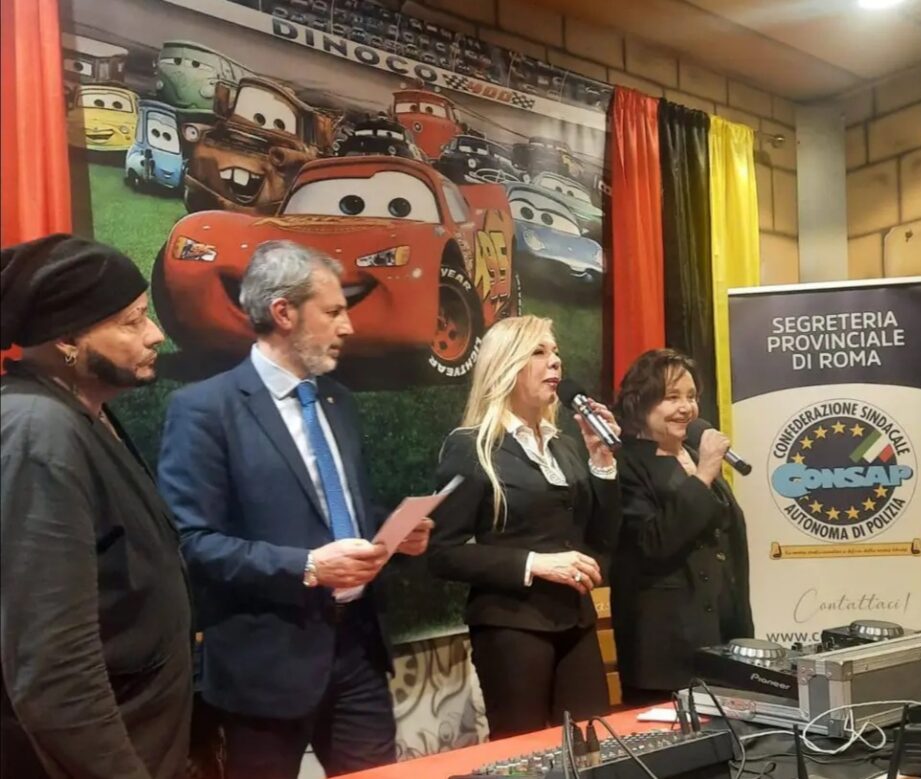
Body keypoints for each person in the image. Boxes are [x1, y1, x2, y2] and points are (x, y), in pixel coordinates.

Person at [157, 240, 431, 779]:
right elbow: (193, 544)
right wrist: (307, 567)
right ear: (283, 312)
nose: (348, 326)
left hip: (358, 653)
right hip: (264, 668)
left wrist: (392, 533)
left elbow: (336, 508)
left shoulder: (337, 400)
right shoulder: (204, 409)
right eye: (333, 312)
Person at [0, 234, 192, 779]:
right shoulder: (38, 430)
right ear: (66, 338)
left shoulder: (79, 412)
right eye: (132, 321)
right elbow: (54, 672)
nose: (155, 334)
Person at [428, 315, 621, 739]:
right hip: (511, 628)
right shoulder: (471, 447)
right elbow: (442, 552)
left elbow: (603, 538)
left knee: (594, 746)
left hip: (576, 621)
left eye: (556, 352)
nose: (555, 362)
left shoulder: (564, 445)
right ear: (506, 365)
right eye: (539, 352)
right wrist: (535, 564)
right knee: (523, 754)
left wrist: (602, 461)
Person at [610, 348, 753, 705]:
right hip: (665, 650)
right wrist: (703, 476)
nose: (686, 408)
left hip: (723, 637)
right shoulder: (625, 463)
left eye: (691, 397)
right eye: (672, 397)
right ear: (640, 403)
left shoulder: (694, 454)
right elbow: (652, 543)